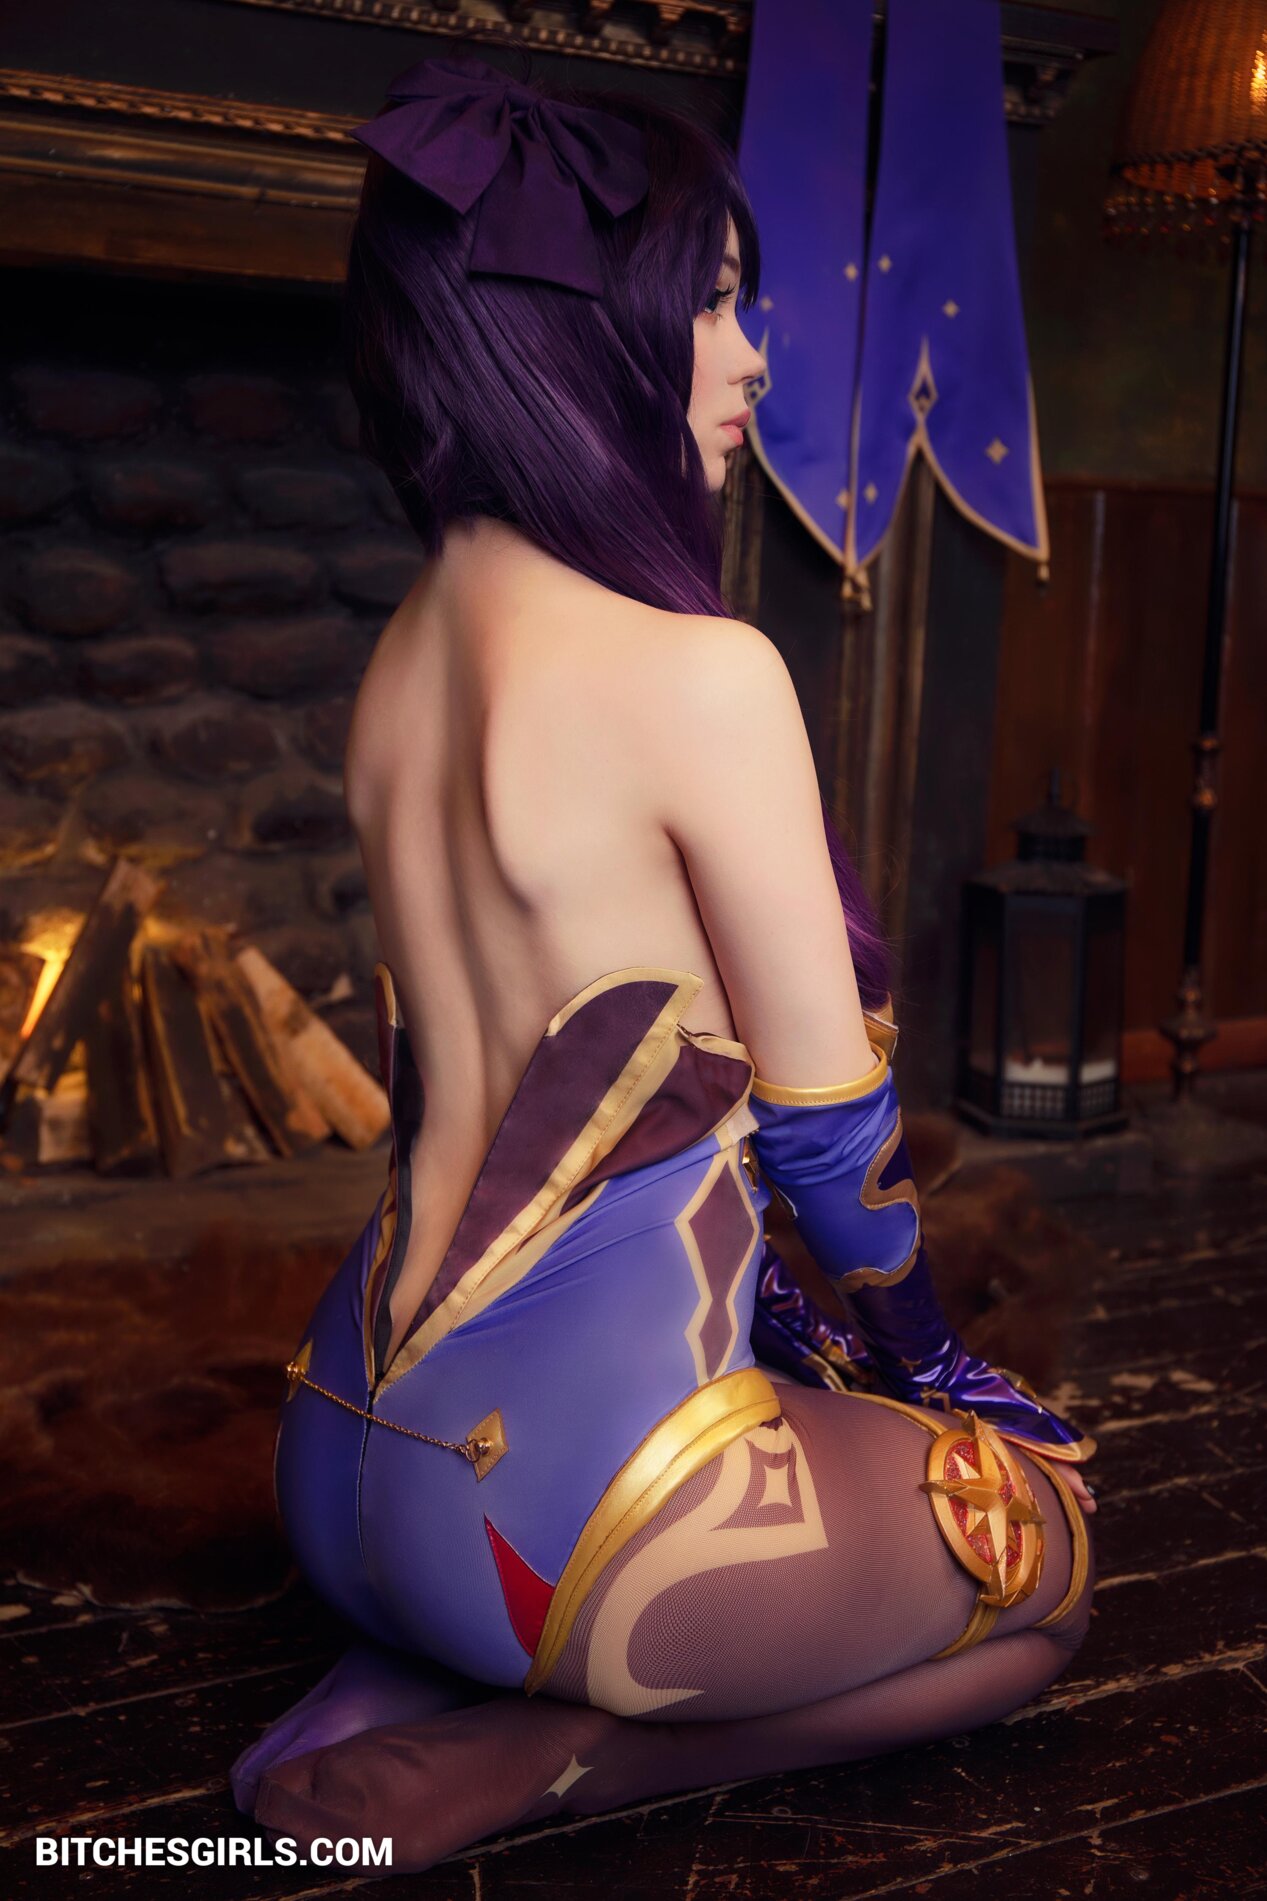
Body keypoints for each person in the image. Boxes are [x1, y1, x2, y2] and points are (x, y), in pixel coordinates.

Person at [230, 53, 1097, 1873]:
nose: (753, 356)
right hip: (587, 1525)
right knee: (1051, 1573)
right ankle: (560, 1757)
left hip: (341, 1458)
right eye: (709, 302)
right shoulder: (704, 676)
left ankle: (436, 1665)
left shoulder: (395, 664)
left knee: (818, 1433)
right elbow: (830, 1154)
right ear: (579, 337)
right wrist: (945, 1376)